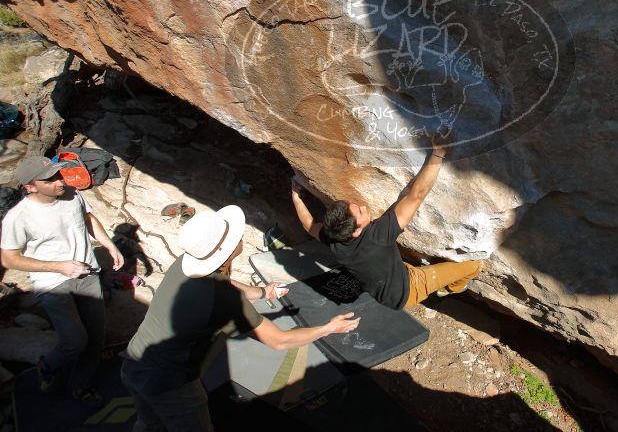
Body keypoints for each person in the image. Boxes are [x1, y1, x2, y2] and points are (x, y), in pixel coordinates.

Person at [121, 205, 360, 431]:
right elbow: (279, 341)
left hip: (133, 360)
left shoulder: (185, 264)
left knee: (148, 423)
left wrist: (263, 292)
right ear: (226, 253)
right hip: (170, 383)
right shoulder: (223, 299)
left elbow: (227, 282)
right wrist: (328, 328)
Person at [291, 136, 482, 310]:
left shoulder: (335, 240)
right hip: (410, 289)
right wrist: (438, 154)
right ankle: (450, 289)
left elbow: (309, 225)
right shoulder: (377, 237)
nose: (363, 208)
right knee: (475, 265)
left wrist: (296, 197)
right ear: (356, 232)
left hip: (385, 288)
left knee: (401, 264)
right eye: (360, 212)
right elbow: (417, 195)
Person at [0, 156, 124, 406]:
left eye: (58, 174)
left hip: (87, 274)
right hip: (53, 282)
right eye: (50, 180)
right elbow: (9, 258)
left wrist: (110, 246)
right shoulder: (18, 217)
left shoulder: (72, 194)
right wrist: (58, 266)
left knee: (95, 339)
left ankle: (81, 385)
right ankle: (47, 366)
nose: (60, 181)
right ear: (31, 187)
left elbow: (88, 218)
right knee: (74, 341)